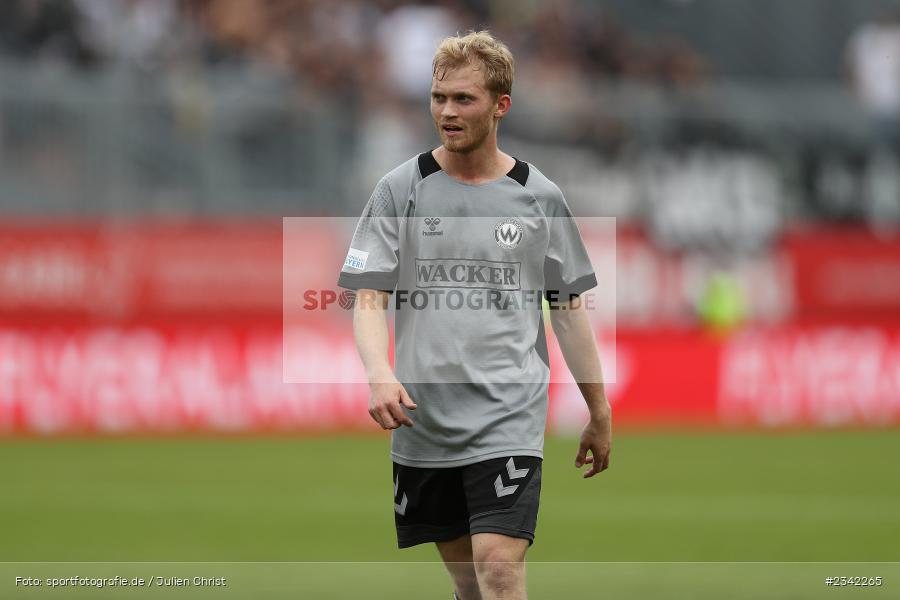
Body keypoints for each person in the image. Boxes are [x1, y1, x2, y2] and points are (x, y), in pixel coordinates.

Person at [337, 30, 611, 600]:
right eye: (439, 97)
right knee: (467, 580)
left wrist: (597, 407)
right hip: (424, 421)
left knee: (500, 569)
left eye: (464, 99)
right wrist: (378, 372)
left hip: (507, 414)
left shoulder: (540, 196)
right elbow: (367, 296)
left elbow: (567, 311)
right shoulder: (399, 189)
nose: (447, 111)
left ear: (500, 105)